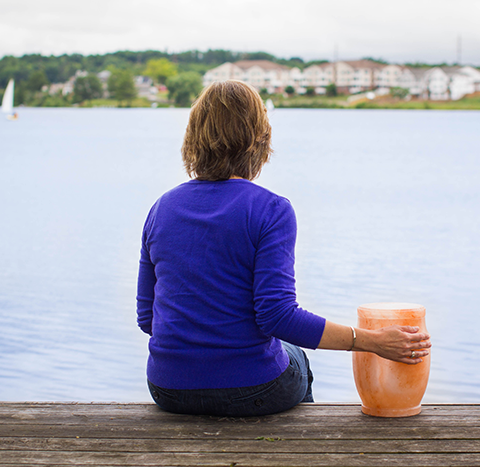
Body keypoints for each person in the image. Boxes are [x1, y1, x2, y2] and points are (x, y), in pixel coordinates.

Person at [136, 80, 431, 417]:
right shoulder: (270, 209)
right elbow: (277, 316)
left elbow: (148, 319)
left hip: (168, 389)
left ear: (193, 138)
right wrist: (371, 341)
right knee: (296, 358)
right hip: (252, 390)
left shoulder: (162, 208)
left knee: (284, 349)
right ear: (259, 139)